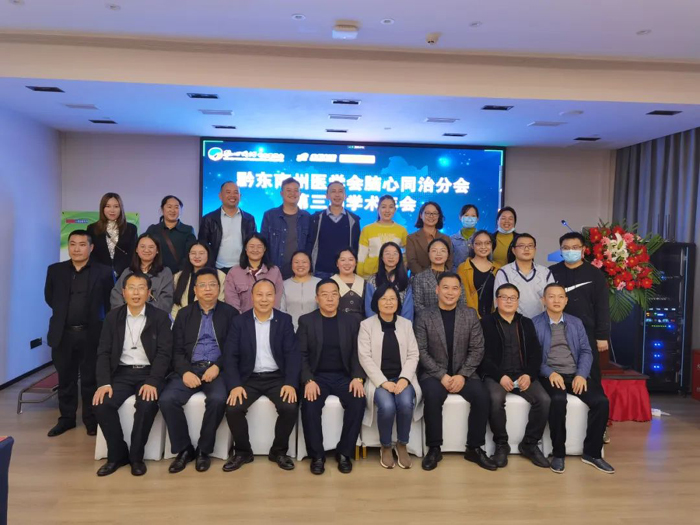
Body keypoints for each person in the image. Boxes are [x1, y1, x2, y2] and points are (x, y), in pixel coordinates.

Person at [92, 272, 173, 477]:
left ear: (149, 292)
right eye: (131, 288)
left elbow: (164, 353)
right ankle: (117, 454)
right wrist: (104, 383)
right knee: (102, 404)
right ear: (123, 292)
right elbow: (103, 352)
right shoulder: (112, 317)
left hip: (149, 373)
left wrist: (153, 381)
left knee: (146, 404)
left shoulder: (160, 317)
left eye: (141, 288)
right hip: (121, 373)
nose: (136, 293)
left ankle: (136, 457)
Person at [159, 268, 239, 473]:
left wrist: (218, 366)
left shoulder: (230, 314)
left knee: (218, 399)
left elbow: (234, 348)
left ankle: (204, 450)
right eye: (202, 285)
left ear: (219, 289)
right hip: (190, 368)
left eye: (212, 285)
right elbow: (176, 350)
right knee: (167, 399)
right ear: (195, 290)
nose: (207, 289)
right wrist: (185, 371)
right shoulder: (184, 314)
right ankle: (184, 449)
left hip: (217, 370)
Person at [415, 272, 496, 471]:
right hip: (434, 374)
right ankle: (434, 448)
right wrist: (441, 375)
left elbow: (478, 349)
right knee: (432, 396)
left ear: (460, 292)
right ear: (437, 290)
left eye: (454, 288)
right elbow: (421, 350)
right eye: (445, 287)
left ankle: (474, 448)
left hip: (464, 372)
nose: (450, 292)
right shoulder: (424, 316)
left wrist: (462, 375)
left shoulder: (469, 314)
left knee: (482, 396)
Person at [533, 283, 614, 474]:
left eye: (560, 297)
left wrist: (581, 375)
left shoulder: (575, 322)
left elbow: (586, 351)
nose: (556, 300)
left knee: (601, 402)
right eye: (551, 296)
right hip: (551, 375)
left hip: (575, 373)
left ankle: (592, 453)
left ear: (566, 300)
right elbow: (532, 358)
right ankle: (558, 453)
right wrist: (549, 372)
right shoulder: (534, 324)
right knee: (558, 400)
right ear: (543, 300)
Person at [222, 279, 300, 472]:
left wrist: (290, 383)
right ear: (252, 296)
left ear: (275, 297)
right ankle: (243, 452)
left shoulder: (284, 320)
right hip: (248, 378)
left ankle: (278, 452)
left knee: (290, 407)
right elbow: (230, 356)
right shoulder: (239, 322)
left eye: (268, 295)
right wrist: (235, 385)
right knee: (233, 408)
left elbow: (292, 355)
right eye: (259, 294)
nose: (264, 299)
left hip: (276, 377)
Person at [44, 230, 113, 437]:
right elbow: (50, 298)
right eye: (72, 244)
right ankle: (66, 419)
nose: (76, 249)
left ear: (91, 248)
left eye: (82, 244)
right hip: (63, 334)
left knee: (91, 379)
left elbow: (109, 302)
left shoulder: (104, 271)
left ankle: (91, 420)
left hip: (92, 333)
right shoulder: (55, 270)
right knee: (66, 379)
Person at [298, 279, 365, 475]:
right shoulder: (306, 321)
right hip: (317, 377)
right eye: (324, 294)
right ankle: (317, 456)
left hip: (344, 376)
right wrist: (308, 380)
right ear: (317, 298)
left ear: (339, 297)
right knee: (310, 404)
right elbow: (300, 354)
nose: (330, 298)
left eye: (334, 294)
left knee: (358, 400)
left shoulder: (351, 322)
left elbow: (358, 353)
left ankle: (344, 452)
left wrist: (357, 377)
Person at [480, 283, 550, 469]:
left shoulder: (526, 323)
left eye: (513, 298)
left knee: (544, 400)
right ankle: (501, 444)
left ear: (518, 301)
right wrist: (500, 376)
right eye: (504, 297)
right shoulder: (486, 322)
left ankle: (529, 444)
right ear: (497, 300)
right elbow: (482, 355)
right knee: (495, 399)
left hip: (522, 373)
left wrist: (529, 374)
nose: (508, 301)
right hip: (496, 374)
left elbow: (536, 354)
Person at [358, 284, 422, 470]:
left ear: (398, 302)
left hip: (403, 378)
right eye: (384, 299)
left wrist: (404, 379)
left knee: (405, 404)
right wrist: (383, 382)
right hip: (379, 380)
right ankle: (385, 446)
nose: (388, 302)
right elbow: (365, 357)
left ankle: (402, 444)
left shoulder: (406, 324)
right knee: (387, 407)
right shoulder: (366, 325)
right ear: (376, 302)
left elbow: (413, 354)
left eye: (392, 299)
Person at [550, 232, 610, 385]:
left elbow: (602, 305)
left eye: (575, 247)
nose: (570, 251)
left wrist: (602, 336)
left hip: (587, 331)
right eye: (566, 248)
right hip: (557, 330)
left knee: (590, 374)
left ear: (583, 249)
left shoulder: (595, 274)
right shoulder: (551, 272)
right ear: (560, 250)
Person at [306, 181, 361, 279]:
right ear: (327, 196)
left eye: (340, 191)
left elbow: (356, 247)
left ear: (345, 196)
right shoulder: (316, 218)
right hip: (320, 271)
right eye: (333, 191)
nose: (337, 195)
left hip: (344, 271)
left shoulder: (353, 220)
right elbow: (310, 244)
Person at [199, 181, 256, 274]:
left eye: (235, 192)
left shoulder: (249, 219)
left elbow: (253, 243)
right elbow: (202, 244)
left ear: (240, 196)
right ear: (220, 196)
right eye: (228, 192)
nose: (232, 195)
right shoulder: (209, 219)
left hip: (243, 268)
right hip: (217, 268)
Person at [261, 177, 311, 280]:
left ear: (300, 194)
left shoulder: (307, 217)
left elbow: (310, 245)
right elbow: (263, 243)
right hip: (274, 271)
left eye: (296, 190)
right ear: (282, 193)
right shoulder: (270, 215)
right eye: (288, 190)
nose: (293, 193)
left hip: (299, 272)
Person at [493, 233, 554, 319]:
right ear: (513, 250)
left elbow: (552, 300)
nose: (526, 249)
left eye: (530, 246)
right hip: (513, 322)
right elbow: (499, 302)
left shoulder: (545, 272)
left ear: (535, 250)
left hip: (540, 322)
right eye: (521, 246)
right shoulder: (504, 272)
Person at [111, 234, 174, 313]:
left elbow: (166, 301)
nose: (146, 250)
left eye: (151, 247)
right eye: (142, 246)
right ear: (136, 249)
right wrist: (126, 313)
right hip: (127, 316)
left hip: (153, 317)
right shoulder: (128, 271)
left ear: (157, 250)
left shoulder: (165, 273)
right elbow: (116, 294)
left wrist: (142, 313)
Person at [224, 233, 284, 313]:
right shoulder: (234, 272)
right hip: (241, 319)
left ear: (264, 249)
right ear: (245, 248)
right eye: (251, 246)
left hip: (269, 318)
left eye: (259, 247)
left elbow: (277, 299)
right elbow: (231, 300)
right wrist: (240, 319)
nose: (255, 250)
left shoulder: (274, 271)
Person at [86, 192, 138, 279]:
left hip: (125, 275)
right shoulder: (92, 228)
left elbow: (133, 253)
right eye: (108, 206)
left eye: (116, 206)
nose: (112, 210)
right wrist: (104, 271)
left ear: (121, 208)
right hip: (100, 274)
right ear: (102, 208)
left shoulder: (131, 228)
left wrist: (118, 271)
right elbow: (91, 254)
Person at [357, 195, 408, 278]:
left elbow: (407, 252)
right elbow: (361, 254)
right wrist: (359, 274)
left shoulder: (401, 230)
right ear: (378, 209)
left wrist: (402, 266)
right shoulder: (367, 229)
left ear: (395, 210)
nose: (387, 210)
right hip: (370, 274)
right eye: (383, 207)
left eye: (391, 207)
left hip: (393, 275)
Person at [171, 242, 226, 319]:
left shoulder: (219, 276)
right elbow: (176, 304)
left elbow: (220, 302)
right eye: (193, 253)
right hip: (182, 321)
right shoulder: (179, 276)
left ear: (208, 255)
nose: (197, 256)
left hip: (209, 319)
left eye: (201, 253)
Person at [145, 195, 196, 274]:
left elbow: (190, 254)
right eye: (169, 207)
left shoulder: (188, 230)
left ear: (181, 210)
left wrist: (181, 272)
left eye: (176, 207)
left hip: (180, 274)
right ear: (162, 209)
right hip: (156, 274)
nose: (173, 210)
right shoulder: (153, 229)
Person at [412, 238, 466, 315]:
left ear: (448, 254)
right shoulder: (419, 278)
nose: (438, 254)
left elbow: (462, 302)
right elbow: (417, 305)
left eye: (443, 251)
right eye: (434, 251)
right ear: (428, 254)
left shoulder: (456, 278)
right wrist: (433, 319)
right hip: (427, 320)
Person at [364, 242, 414, 321]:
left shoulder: (406, 281)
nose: (391, 256)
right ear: (381, 257)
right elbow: (369, 308)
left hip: (401, 324)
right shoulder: (372, 280)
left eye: (395, 254)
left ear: (399, 257)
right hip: (376, 324)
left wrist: (403, 325)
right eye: (387, 253)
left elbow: (408, 309)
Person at [457, 230, 500, 319]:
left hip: (493, 319)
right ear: (472, 246)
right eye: (478, 243)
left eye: (487, 243)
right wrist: (477, 317)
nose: (483, 247)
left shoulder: (498, 268)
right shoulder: (463, 268)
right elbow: (465, 296)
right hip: (471, 318)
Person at [406, 201, 454, 276]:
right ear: (421, 215)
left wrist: (441, 277)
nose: (431, 216)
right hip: (418, 279)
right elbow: (412, 262)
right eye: (427, 213)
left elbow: (449, 261)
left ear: (439, 216)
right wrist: (426, 278)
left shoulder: (446, 238)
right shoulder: (411, 238)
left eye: (434, 213)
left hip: (442, 279)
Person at [280, 251, 320, 330]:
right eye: (296, 262)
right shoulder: (284, 284)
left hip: (315, 329)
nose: (300, 265)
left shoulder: (319, 283)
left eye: (304, 262)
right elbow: (282, 309)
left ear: (310, 264)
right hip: (290, 330)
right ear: (291, 264)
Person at [331, 248, 366, 324]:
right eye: (343, 260)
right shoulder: (330, 283)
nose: (347, 263)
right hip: (336, 325)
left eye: (351, 260)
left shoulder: (365, 283)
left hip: (361, 327)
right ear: (337, 263)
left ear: (356, 262)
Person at [450, 204, 479, 271]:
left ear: (477, 218)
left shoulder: (483, 238)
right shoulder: (452, 239)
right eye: (466, 215)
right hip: (457, 275)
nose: (469, 218)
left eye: (473, 216)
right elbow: (449, 262)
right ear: (460, 217)